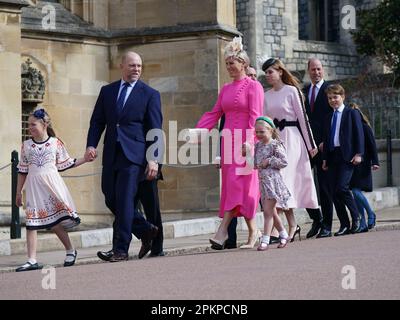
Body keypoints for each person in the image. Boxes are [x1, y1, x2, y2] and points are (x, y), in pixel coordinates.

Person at [86, 51, 163, 262]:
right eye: (132, 65)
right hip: (111, 153)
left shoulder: (150, 94)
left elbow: (155, 129)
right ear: (122, 66)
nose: (136, 69)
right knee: (110, 196)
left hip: (135, 156)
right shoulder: (107, 91)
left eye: (139, 66)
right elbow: (97, 122)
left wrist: (153, 158)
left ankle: (121, 250)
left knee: (125, 200)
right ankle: (145, 229)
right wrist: (91, 144)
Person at [195, 36, 263, 250]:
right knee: (233, 187)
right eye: (226, 64)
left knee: (244, 189)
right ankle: (254, 232)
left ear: (243, 64)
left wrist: (250, 142)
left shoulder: (254, 87)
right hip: (228, 144)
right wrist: (199, 130)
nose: (229, 67)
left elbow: (256, 116)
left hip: (246, 144)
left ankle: (222, 231)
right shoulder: (225, 89)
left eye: (232, 63)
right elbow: (214, 113)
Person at [15, 108, 90, 272]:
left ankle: (70, 250)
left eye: (33, 125)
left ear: (44, 124)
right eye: (29, 125)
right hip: (34, 188)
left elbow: (67, 163)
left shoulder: (56, 143)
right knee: (31, 223)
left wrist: (85, 159)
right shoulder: (26, 146)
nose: (30, 128)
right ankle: (32, 260)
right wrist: (18, 192)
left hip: (52, 187)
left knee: (56, 224)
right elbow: (22, 170)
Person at [263, 58, 319, 242]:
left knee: (285, 182)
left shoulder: (292, 91)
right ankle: (292, 225)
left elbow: (303, 119)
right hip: (277, 142)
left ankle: (273, 231)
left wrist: (311, 145)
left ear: (280, 72)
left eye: (270, 71)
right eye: (266, 73)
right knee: (281, 184)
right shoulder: (266, 95)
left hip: (293, 140)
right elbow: (265, 122)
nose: (268, 76)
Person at [322, 84, 364, 235]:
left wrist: (359, 153)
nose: (333, 100)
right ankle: (344, 224)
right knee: (334, 192)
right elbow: (327, 139)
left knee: (342, 188)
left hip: (347, 156)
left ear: (343, 96)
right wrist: (325, 159)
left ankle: (356, 217)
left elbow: (359, 134)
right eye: (330, 98)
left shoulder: (351, 113)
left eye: (335, 97)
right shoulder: (328, 117)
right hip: (332, 156)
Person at [304, 58, 334, 238]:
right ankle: (317, 219)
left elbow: (335, 117)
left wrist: (325, 141)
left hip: (323, 146)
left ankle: (327, 226)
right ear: (308, 71)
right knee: (304, 183)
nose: (316, 72)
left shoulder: (330, 90)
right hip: (307, 146)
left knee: (324, 187)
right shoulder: (304, 91)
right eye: (313, 69)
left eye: (319, 69)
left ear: (323, 70)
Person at [253, 117, 290, 251]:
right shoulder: (258, 146)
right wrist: (246, 154)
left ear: (270, 130)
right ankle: (284, 235)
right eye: (256, 132)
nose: (258, 135)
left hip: (273, 183)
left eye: (261, 132)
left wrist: (269, 161)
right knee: (272, 212)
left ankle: (265, 240)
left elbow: (284, 162)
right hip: (263, 182)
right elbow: (255, 165)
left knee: (267, 212)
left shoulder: (275, 145)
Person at [349, 103, 379, 232]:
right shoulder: (347, 128)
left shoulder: (365, 127)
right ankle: (362, 222)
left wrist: (375, 161)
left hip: (363, 162)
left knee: (356, 191)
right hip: (350, 163)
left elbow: (372, 145)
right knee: (355, 193)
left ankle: (370, 213)